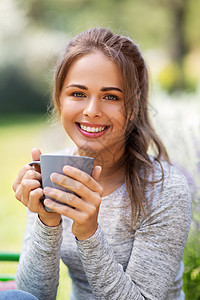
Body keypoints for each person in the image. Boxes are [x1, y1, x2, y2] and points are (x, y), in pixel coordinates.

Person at [12, 27, 192, 300]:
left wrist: (89, 233)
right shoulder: (50, 172)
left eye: (111, 97)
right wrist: (46, 221)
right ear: (59, 97)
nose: (91, 110)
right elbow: (32, 295)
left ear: (133, 104)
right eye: (78, 94)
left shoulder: (165, 189)